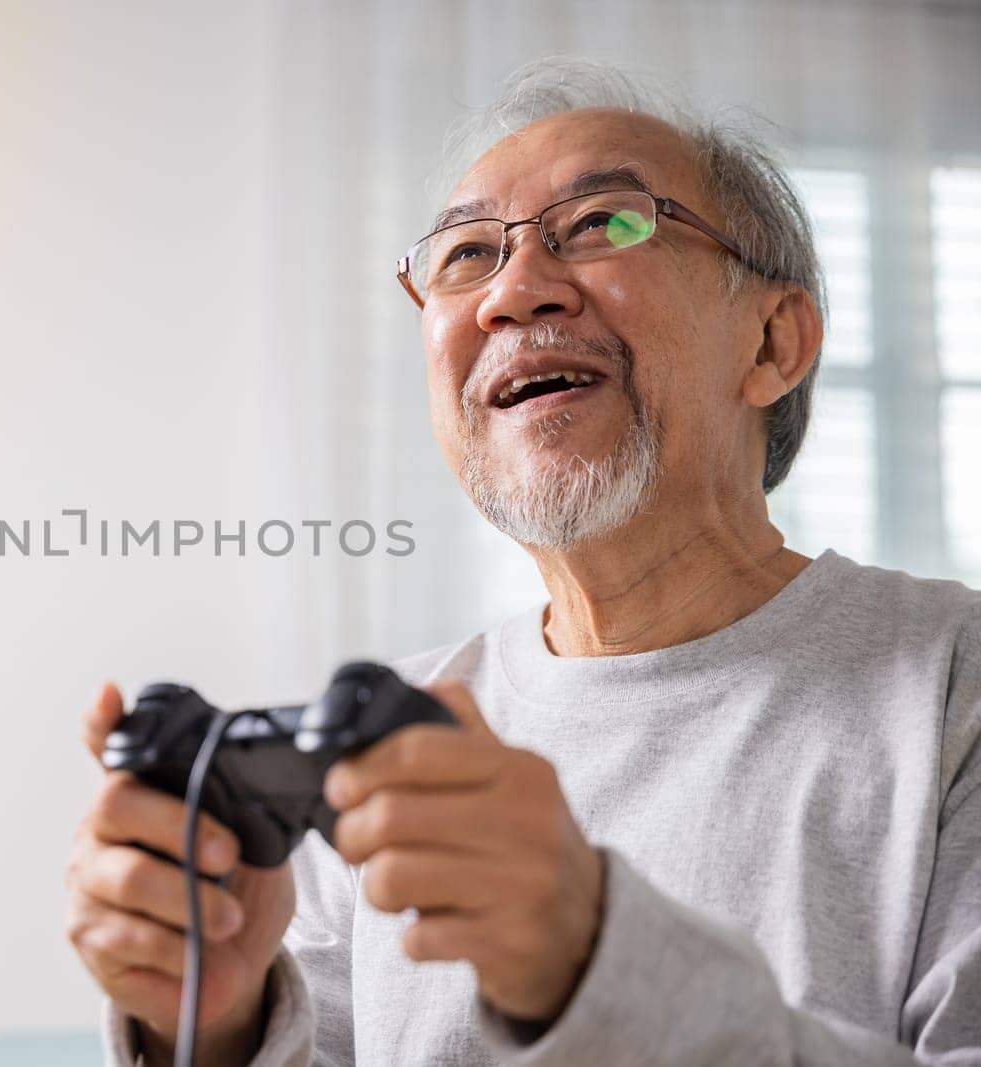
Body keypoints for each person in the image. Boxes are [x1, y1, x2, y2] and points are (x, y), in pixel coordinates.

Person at [64, 59, 981, 1066]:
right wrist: (217, 1022)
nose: (510, 292)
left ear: (773, 339)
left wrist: (594, 961)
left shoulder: (952, 682)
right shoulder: (398, 722)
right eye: (464, 254)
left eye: (601, 223)